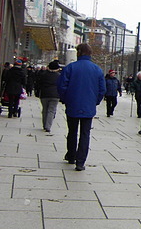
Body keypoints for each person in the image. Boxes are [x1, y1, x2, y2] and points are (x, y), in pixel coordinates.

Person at [57, 43, 105, 172]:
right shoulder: (97, 69)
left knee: (72, 131)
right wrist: (95, 101)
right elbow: (102, 89)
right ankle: (80, 161)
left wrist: (66, 99)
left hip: (73, 104)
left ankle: (71, 155)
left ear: (78, 52)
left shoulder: (70, 68)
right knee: (85, 133)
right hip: (88, 106)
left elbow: (62, 86)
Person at [38, 60, 61, 132]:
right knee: (51, 110)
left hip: (44, 94)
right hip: (55, 95)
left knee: (45, 110)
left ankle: (44, 124)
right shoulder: (59, 76)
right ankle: (48, 126)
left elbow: (39, 84)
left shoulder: (43, 75)